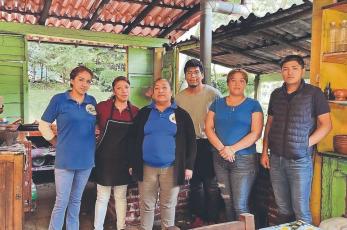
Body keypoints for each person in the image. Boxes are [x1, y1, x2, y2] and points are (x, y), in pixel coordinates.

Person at [261, 55, 332, 224]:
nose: (289, 72)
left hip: (300, 161)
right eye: (285, 69)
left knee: (301, 208)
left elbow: (326, 125)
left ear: (302, 71)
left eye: (294, 68)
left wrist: (305, 143)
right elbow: (269, 124)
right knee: (282, 207)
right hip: (276, 159)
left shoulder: (314, 94)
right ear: (281, 72)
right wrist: (264, 152)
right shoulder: (276, 94)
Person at [129, 78, 196, 230]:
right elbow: (133, 140)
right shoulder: (144, 113)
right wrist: (133, 163)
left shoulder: (182, 115)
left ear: (171, 92)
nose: (160, 91)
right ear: (152, 93)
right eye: (157, 88)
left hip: (172, 167)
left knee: (168, 205)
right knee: (146, 204)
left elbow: (192, 142)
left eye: (164, 88)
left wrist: (189, 166)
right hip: (146, 167)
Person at [38, 66, 97, 230]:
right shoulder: (59, 99)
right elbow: (44, 125)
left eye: (88, 81)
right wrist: (55, 141)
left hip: (86, 159)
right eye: (81, 79)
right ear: (72, 80)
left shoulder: (91, 101)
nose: (84, 84)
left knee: (76, 200)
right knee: (61, 201)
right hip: (65, 159)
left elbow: (94, 126)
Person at [205, 69, 263, 221]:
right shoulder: (216, 104)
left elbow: (256, 133)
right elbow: (208, 129)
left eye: (241, 80)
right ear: (228, 83)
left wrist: (232, 149)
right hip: (219, 159)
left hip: (244, 160)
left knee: (240, 205)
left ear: (246, 84)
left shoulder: (253, 105)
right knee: (227, 202)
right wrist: (222, 149)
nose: (237, 84)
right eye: (233, 80)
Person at [175, 59, 222, 226]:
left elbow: (221, 118)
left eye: (196, 72)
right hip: (189, 144)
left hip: (208, 143)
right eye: (189, 73)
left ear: (202, 74)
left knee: (210, 183)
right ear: (186, 76)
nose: (193, 76)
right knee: (194, 184)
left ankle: (213, 218)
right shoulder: (179, 97)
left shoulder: (213, 94)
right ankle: (198, 217)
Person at [93, 76, 138, 230]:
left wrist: (133, 163)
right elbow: (88, 124)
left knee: (120, 197)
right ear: (114, 91)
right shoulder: (102, 107)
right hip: (104, 159)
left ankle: (121, 227)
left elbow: (135, 140)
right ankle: (97, 227)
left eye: (126, 87)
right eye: (119, 87)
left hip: (124, 161)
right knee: (102, 197)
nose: (123, 91)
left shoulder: (135, 111)